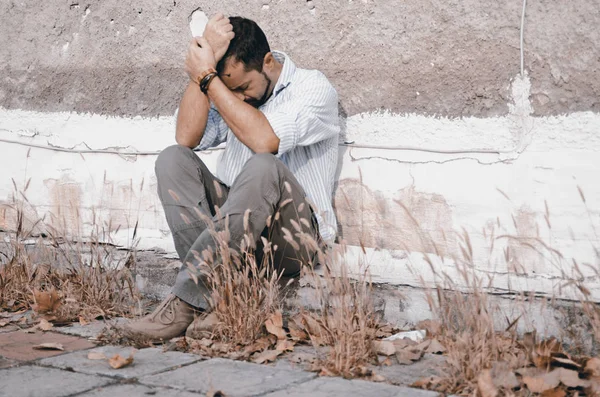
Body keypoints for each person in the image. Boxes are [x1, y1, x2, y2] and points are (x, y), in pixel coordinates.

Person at [124, 14, 340, 341]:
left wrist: (211, 80)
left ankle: (185, 302)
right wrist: (204, 62)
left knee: (264, 165)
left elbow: (266, 142)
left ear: (268, 62)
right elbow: (186, 136)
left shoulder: (312, 87)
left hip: (291, 238)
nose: (236, 98)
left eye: (242, 88)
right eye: (230, 91)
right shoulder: (227, 87)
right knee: (173, 159)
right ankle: (216, 300)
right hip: (235, 235)